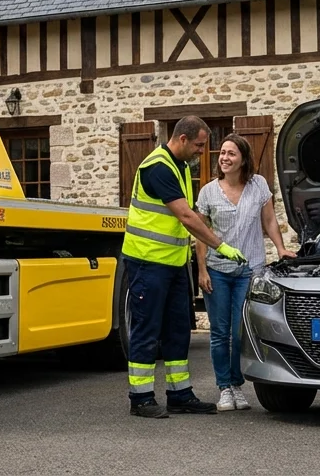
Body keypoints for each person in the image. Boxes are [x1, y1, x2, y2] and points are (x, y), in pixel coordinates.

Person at [122, 116, 248, 419]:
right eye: (199, 145)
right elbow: (187, 217)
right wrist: (221, 246)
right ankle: (140, 399)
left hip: (173, 264)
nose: (202, 152)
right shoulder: (158, 167)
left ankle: (179, 395)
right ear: (182, 139)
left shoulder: (178, 165)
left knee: (179, 330)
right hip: (147, 262)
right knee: (147, 330)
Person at [193, 134, 296, 411]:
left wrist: (281, 248)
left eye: (231, 154)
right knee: (220, 332)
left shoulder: (258, 185)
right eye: (222, 153)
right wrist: (201, 270)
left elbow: (270, 220)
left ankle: (237, 385)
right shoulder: (208, 192)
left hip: (250, 270)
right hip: (217, 270)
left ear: (243, 159)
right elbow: (200, 234)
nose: (224, 158)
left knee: (241, 333)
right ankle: (224, 388)